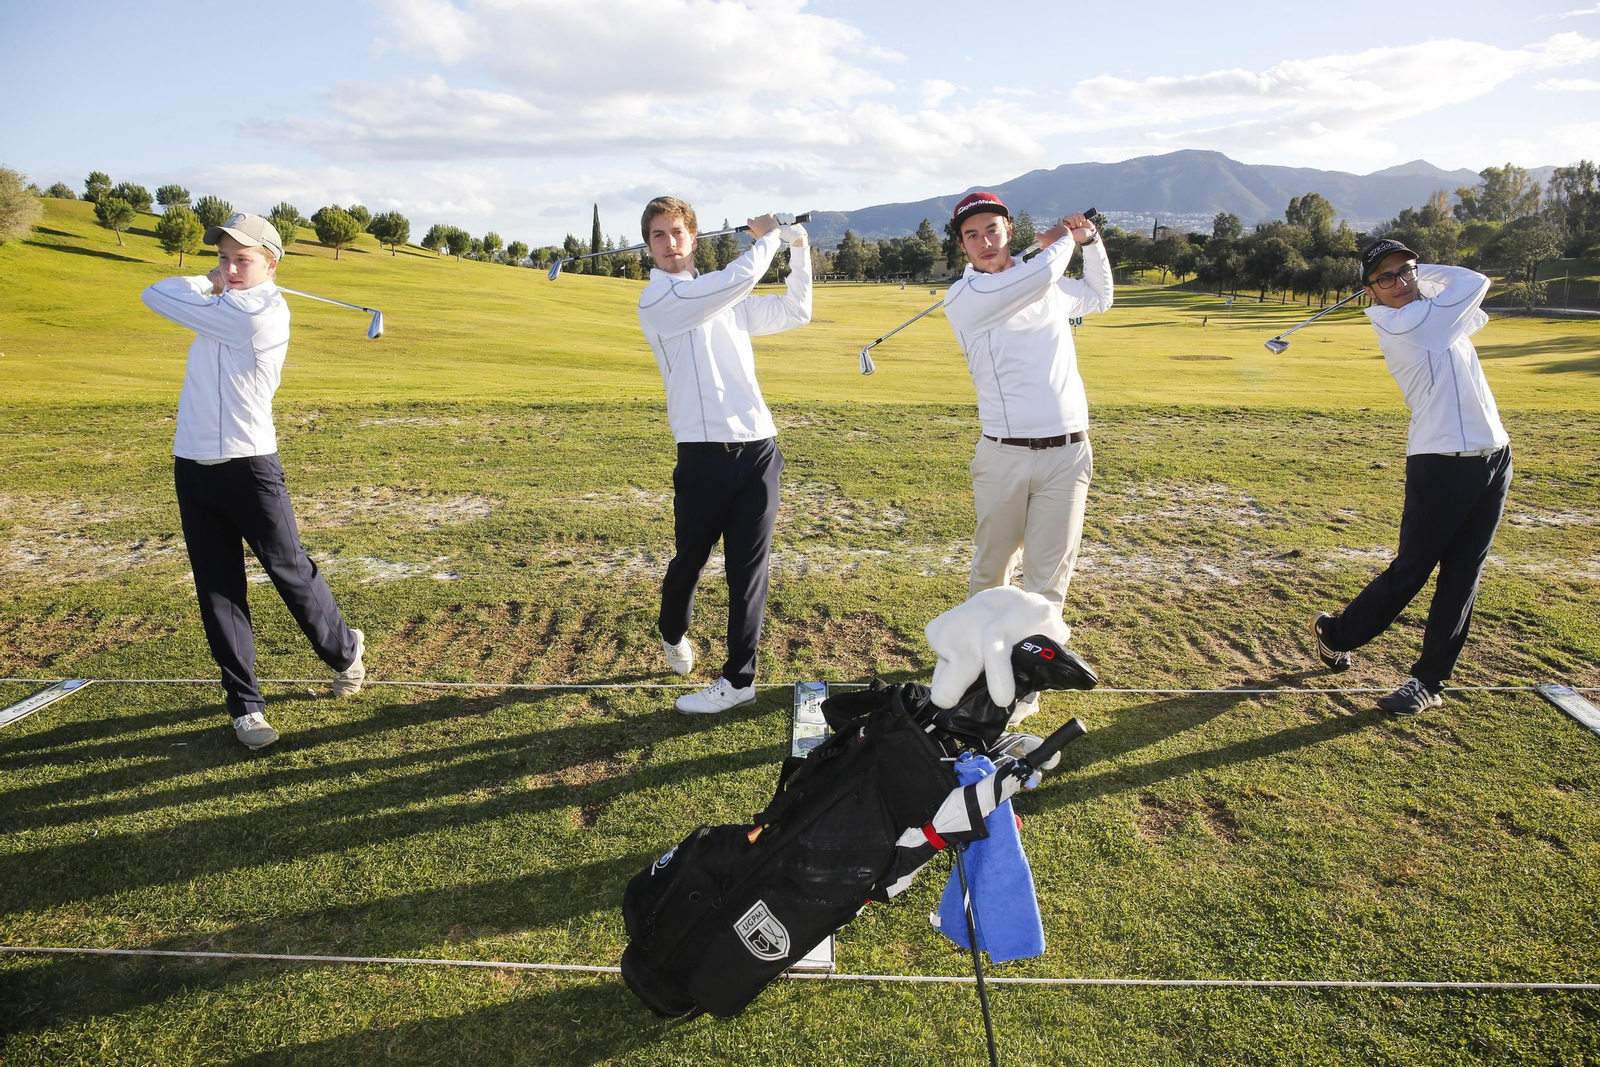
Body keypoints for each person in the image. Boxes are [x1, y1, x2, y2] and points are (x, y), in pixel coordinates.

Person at [141, 213, 366, 751]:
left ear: (272, 262)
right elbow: (159, 292)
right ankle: (245, 707)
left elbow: (156, 295)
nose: (230, 269)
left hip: (249, 465)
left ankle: (344, 651)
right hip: (192, 462)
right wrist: (213, 282)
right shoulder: (222, 303)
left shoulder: (259, 315)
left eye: (242, 259)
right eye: (222, 257)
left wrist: (212, 288)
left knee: (289, 569)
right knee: (217, 587)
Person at [1310, 239, 1512, 716]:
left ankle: (1428, 681)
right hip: (1441, 462)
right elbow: (1475, 283)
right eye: (1385, 278)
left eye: (1405, 272)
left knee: (1464, 575)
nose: (1399, 283)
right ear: (1369, 292)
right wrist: (1422, 273)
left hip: (1494, 455)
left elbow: (1472, 306)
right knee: (1413, 570)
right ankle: (1336, 633)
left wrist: (1414, 275)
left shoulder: (1432, 314)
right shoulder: (1404, 322)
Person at [940, 192, 1112, 723]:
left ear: (1007, 231)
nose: (984, 242)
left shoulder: (1050, 284)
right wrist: (1062, 241)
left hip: (1068, 450)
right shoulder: (964, 298)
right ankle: (971, 668)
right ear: (962, 245)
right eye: (972, 235)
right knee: (992, 570)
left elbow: (1100, 297)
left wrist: (1093, 242)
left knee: (1047, 579)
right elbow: (1035, 278)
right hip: (1003, 455)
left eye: (992, 230)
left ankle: (1026, 684)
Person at [636, 198, 812, 714]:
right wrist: (768, 239)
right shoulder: (658, 300)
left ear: (693, 237)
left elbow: (796, 309)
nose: (670, 244)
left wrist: (798, 246)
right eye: (658, 236)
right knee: (690, 558)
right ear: (649, 247)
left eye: (677, 233)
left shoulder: (725, 292)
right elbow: (730, 283)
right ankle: (672, 629)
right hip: (701, 456)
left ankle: (739, 680)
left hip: (759, 449)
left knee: (748, 570)